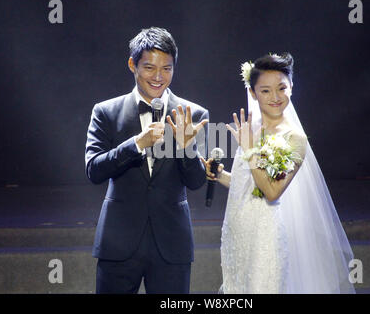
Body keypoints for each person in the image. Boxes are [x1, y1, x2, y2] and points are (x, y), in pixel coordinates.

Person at [201, 53, 355, 293]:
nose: (275, 97)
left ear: (291, 87)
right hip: (239, 232)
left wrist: (250, 148)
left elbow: (271, 191)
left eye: (281, 88)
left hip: (268, 237)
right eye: (265, 91)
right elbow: (250, 185)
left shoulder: (295, 138)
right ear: (252, 93)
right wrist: (220, 175)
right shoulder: (250, 130)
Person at [85, 27, 209, 294]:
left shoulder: (193, 114)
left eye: (167, 68)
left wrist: (186, 147)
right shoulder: (106, 112)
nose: (158, 77)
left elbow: (197, 181)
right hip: (117, 243)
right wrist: (136, 144)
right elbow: (94, 170)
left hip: (171, 244)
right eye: (149, 67)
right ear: (133, 65)